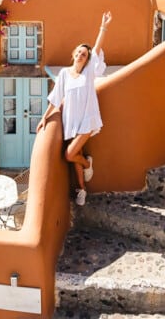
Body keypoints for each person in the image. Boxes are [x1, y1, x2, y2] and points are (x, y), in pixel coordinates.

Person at [38, 11, 111, 206]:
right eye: (78, 52)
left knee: (70, 154)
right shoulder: (63, 74)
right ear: (73, 55)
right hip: (70, 121)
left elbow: (97, 48)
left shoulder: (89, 72)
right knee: (74, 157)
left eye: (84, 54)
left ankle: (88, 163)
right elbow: (56, 98)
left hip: (87, 119)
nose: (81, 55)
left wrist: (103, 26)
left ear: (87, 60)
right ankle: (82, 190)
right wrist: (45, 117)